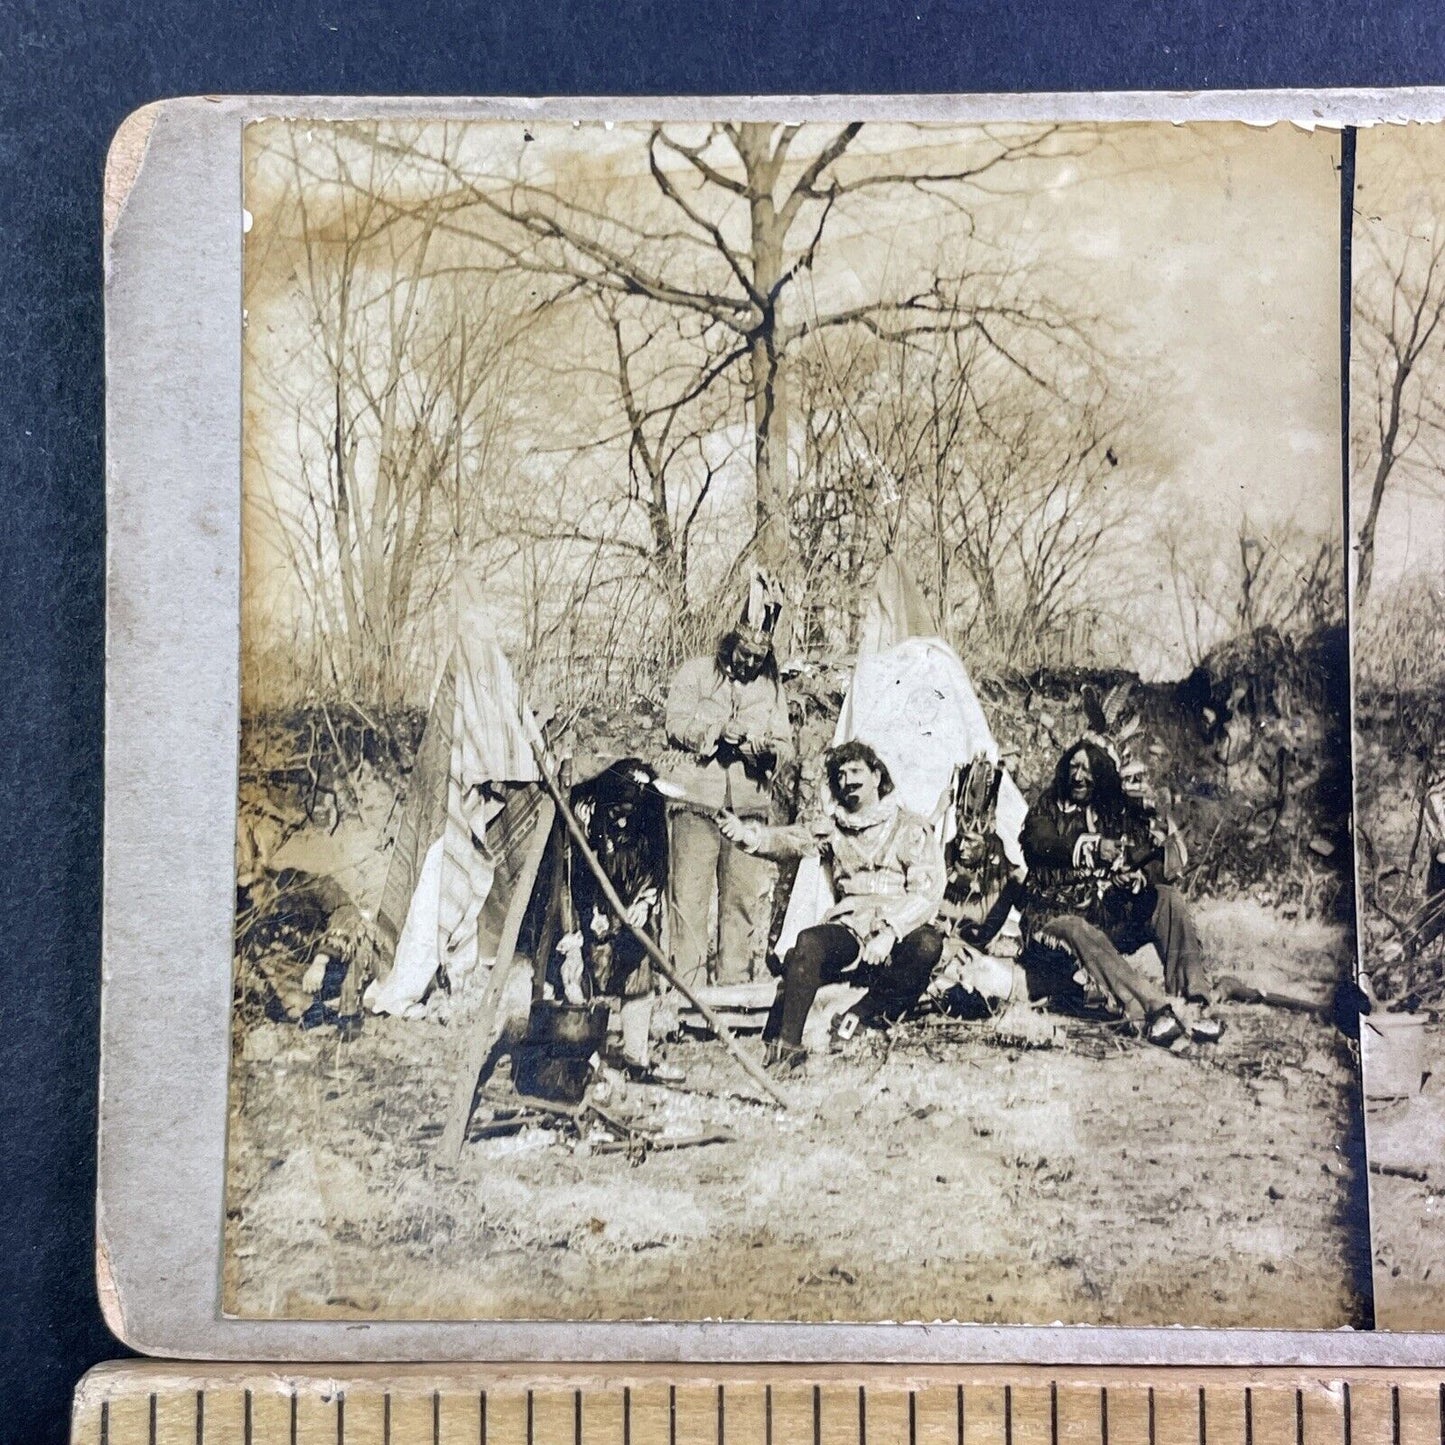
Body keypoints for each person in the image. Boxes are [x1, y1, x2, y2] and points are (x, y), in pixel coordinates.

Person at [719, 739, 946, 1073]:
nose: (847, 780)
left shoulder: (910, 826)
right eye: (840, 774)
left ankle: (860, 1015)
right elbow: (791, 839)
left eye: (856, 771)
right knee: (809, 943)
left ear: (876, 776)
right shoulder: (834, 827)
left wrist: (890, 931)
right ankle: (786, 1050)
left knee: (928, 945)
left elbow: (927, 892)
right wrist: (748, 835)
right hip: (853, 925)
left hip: (901, 927)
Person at [1015, 738, 1218, 1046]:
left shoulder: (1115, 813)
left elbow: (1149, 859)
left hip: (1105, 918)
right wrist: (1093, 847)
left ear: (1101, 773)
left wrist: (1136, 879)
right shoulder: (1048, 807)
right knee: (1076, 926)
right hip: (1053, 922)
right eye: (1073, 767)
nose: (1078, 775)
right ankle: (1154, 1009)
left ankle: (1194, 1003)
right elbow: (1039, 843)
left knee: (1167, 899)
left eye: (1087, 768)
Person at [664, 580, 793, 987]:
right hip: (697, 802)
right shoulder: (695, 673)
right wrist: (718, 731)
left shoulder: (772, 688)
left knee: (740, 901)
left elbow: (787, 746)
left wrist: (765, 752)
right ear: (730, 643)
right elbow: (675, 723)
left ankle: (734, 988)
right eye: (744, 654)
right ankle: (687, 990)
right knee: (689, 899)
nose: (749, 664)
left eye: (758, 658)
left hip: (748, 808)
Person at [549, 758, 682, 1082]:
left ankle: (636, 1057)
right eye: (616, 814)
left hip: (631, 905)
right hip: (590, 905)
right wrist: (589, 916)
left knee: (638, 972)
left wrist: (645, 902)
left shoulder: (650, 810)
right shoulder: (584, 811)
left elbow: (656, 867)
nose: (622, 823)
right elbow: (573, 876)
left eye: (628, 815)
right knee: (584, 975)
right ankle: (587, 1060)